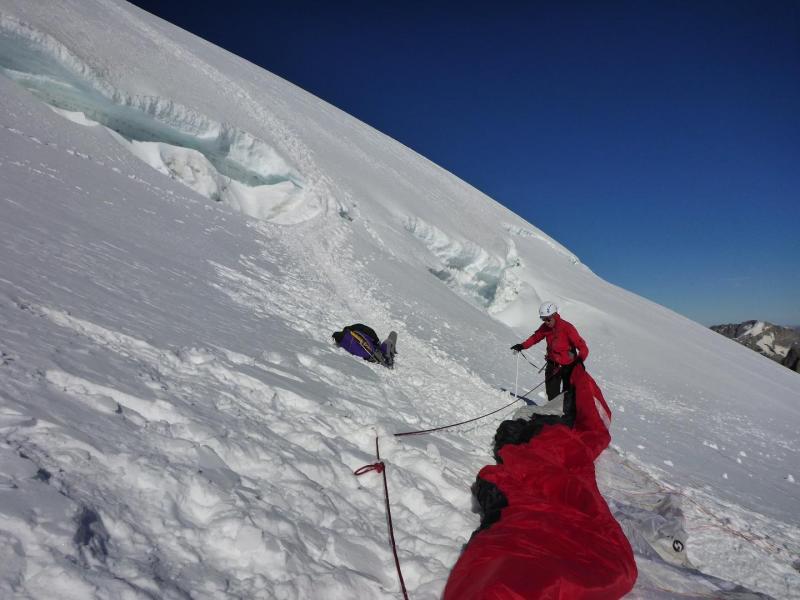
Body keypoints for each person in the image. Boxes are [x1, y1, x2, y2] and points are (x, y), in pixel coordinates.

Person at [510, 301, 588, 400]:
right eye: (543, 319)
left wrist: (580, 360)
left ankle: (566, 414)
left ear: (554, 315)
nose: (546, 322)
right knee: (552, 395)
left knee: (568, 395)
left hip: (568, 367)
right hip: (553, 365)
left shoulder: (567, 328)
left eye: (548, 319)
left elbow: (583, 347)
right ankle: (554, 414)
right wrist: (522, 346)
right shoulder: (545, 327)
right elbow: (535, 338)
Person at [332, 323, 397, 368]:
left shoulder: (349, 333)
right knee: (390, 338)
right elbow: (371, 333)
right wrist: (377, 343)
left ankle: (388, 353)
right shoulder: (356, 329)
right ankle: (389, 354)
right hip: (374, 352)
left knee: (390, 339)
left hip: (368, 353)